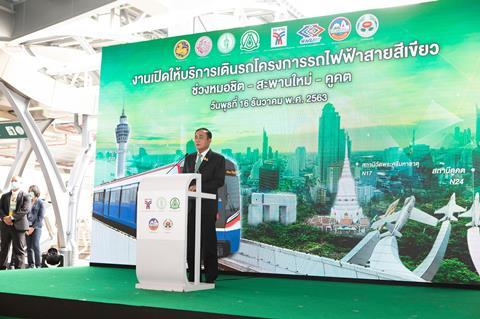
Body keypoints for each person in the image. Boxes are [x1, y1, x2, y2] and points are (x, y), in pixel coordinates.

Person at [182, 128, 225, 283]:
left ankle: (210, 275)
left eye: (200, 137)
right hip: (191, 207)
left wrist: (198, 187)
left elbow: (219, 181)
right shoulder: (189, 158)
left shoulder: (218, 159)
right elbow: (183, 179)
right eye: (195, 137)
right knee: (191, 243)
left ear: (209, 140)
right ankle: (193, 274)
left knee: (208, 242)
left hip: (207, 207)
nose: (197, 140)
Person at [0, 176, 31, 269]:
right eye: (12, 181)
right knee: (4, 248)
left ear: (20, 183)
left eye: (15, 181)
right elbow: (0, 209)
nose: (13, 182)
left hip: (19, 226)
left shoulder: (26, 196)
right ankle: (2, 267)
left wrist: (12, 218)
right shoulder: (5, 196)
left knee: (19, 250)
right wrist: (5, 218)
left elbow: (25, 209)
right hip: (5, 226)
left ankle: (19, 269)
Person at [26, 185, 45, 268]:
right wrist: (26, 227)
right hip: (27, 227)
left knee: (35, 245)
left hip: (37, 227)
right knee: (28, 247)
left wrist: (33, 227)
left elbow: (40, 217)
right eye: (29, 191)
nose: (30, 193)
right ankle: (31, 264)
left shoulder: (40, 203)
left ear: (36, 193)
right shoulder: (27, 202)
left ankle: (38, 264)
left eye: (32, 191)